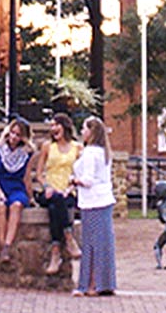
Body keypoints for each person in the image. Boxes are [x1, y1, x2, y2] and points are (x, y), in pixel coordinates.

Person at [69, 116, 118, 296]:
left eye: (84, 129)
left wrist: (74, 181)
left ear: (92, 132)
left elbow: (88, 180)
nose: (82, 132)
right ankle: (103, 282)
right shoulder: (103, 152)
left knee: (91, 243)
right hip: (104, 199)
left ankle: (91, 284)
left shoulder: (90, 153)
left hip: (92, 202)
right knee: (103, 243)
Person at [35, 113, 80, 275]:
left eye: (56, 125)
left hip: (68, 191)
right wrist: (46, 186)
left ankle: (55, 252)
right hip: (49, 191)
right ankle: (68, 237)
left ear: (65, 126)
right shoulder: (47, 147)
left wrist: (70, 187)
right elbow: (39, 174)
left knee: (56, 207)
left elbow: (79, 173)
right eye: (51, 126)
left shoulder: (77, 147)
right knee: (54, 199)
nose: (53, 129)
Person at [0, 120, 36, 251]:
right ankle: (3, 246)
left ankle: (8, 245)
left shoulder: (27, 153)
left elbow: (26, 177)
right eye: (12, 133)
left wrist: (31, 197)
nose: (13, 137)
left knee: (17, 206)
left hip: (16, 188)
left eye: (18, 135)